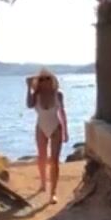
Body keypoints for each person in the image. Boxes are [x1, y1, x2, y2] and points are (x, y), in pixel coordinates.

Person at [26, 68, 68, 204]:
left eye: (48, 78)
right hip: (41, 128)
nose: (45, 81)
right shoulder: (36, 95)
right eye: (41, 79)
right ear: (38, 81)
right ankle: (43, 183)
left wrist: (66, 131)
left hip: (56, 128)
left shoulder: (58, 94)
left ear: (53, 80)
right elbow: (29, 105)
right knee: (42, 157)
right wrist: (28, 88)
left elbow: (62, 113)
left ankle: (53, 193)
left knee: (54, 161)